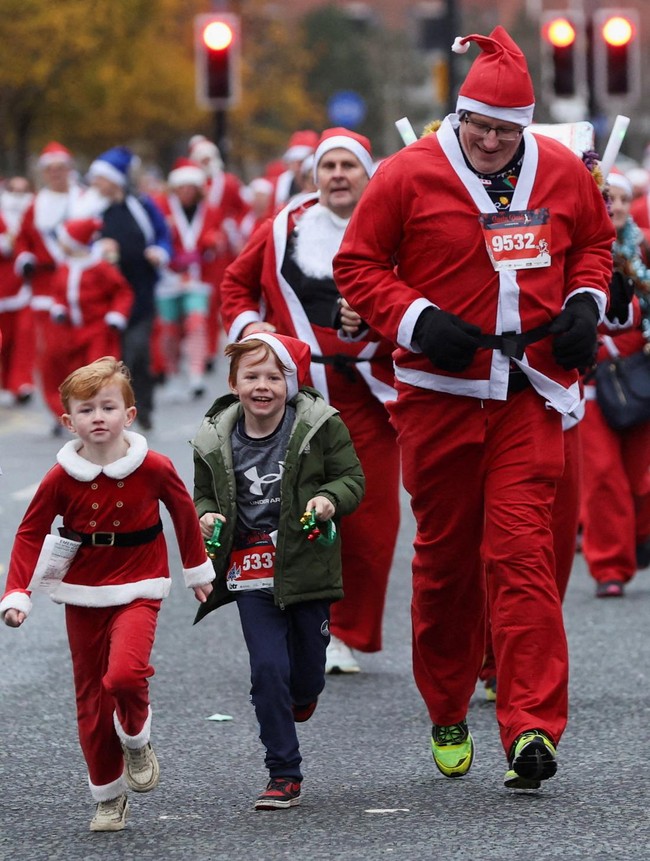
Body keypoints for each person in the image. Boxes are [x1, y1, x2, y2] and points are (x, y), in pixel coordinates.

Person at [334, 27, 614, 789]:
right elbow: (357, 264)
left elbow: (594, 241)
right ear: (456, 117)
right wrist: (418, 321)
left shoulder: (560, 169)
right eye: (477, 125)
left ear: (526, 127)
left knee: (521, 555)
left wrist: (588, 300)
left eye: (504, 128)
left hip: (532, 388)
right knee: (448, 564)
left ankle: (531, 725)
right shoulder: (406, 174)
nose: (490, 140)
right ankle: (448, 703)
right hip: (441, 396)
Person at [0, 357, 214, 832]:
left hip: (140, 584)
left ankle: (136, 737)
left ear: (129, 415)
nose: (98, 416)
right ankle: (108, 797)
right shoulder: (60, 477)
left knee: (124, 676)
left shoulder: (154, 466)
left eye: (108, 407)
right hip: (82, 591)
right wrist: (18, 592)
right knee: (92, 700)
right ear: (68, 421)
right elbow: (31, 532)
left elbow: (182, 515)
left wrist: (197, 570)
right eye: (87, 409)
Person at [219, 127, 400, 673]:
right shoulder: (281, 228)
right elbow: (235, 285)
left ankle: (350, 630)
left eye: (349, 166)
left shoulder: (395, 228)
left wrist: (378, 314)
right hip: (295, 397)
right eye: (329, 166)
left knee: (370, 519)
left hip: (371, 393)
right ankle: (311, 629)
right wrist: (257, 336)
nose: (338, 175)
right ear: (314, 176)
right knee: (294, 515)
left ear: (368, 176)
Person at [191, 333, 364, 809]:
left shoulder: (319, 426)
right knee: (267, 670)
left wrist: (329, 499)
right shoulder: (214, 436)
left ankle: (302, 694)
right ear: (233, 383)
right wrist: (205, 514)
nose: (262, 386)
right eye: (252, 376)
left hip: (308, 563)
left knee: (306, 674)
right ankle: (283, 772)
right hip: (250, 571)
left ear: (291, 382)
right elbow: (202, 491)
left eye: (274, 377)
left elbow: (352, 478)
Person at [580, 170, 650, 597]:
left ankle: (640, 537)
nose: (617, 207)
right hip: (592, 377)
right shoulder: (580, 246)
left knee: (641, 477)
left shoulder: (645, 247)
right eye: (608, 199)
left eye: (623, 199)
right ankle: (609, 565)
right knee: (603, 475)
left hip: (641, 372)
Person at [79, 146, 172, 431]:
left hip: (141, 290)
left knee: (137, 353)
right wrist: (97, 247)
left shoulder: (142, 205)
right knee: (110, 358)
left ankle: (142, 407)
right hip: (104, 297)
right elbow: (74, 242)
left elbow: (163, 235)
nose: (96, 183)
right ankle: (109, 410)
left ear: (115, 180)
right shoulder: (91, 209)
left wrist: (158, 251)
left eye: (101, 178)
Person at [14, 143, 84, 423]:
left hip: (80, 287)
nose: (56, 174)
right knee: (51, 354)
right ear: (43, 173)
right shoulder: (35, 205)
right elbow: (23, 240)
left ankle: (83, 405)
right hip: (45, 288)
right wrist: (26, 257)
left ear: (69, 169)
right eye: (50, 169)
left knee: (78, 352)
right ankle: (60, 410)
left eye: (61, 168)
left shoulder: (83, 199)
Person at [154, 158, 228, 397]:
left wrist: (212, 242)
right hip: (168, 279)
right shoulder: (161, 207)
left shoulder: (211, 210)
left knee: (196, 322)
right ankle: (173, 372)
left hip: (198, 279)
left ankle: (196, 375)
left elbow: (218, 239)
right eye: (182, 186)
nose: (186, 191)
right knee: (170, 330)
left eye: (191, 187)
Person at [48, 217, 134, 388]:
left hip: (98, 329)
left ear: (73, 243)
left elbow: (122, 291)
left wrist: (117, 314)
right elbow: (58, 291)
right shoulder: (65, 267)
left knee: (99, 372)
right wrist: (58, 307)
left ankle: (105, 405)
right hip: (73, 329)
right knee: (75, 373)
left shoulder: (99, 267)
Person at [0, 175, 35, 404]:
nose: (18, 195)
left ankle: (20, 383)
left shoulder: (34, 215)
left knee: (23, 337)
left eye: (23, 191)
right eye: (14, 190)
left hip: (25, 289)